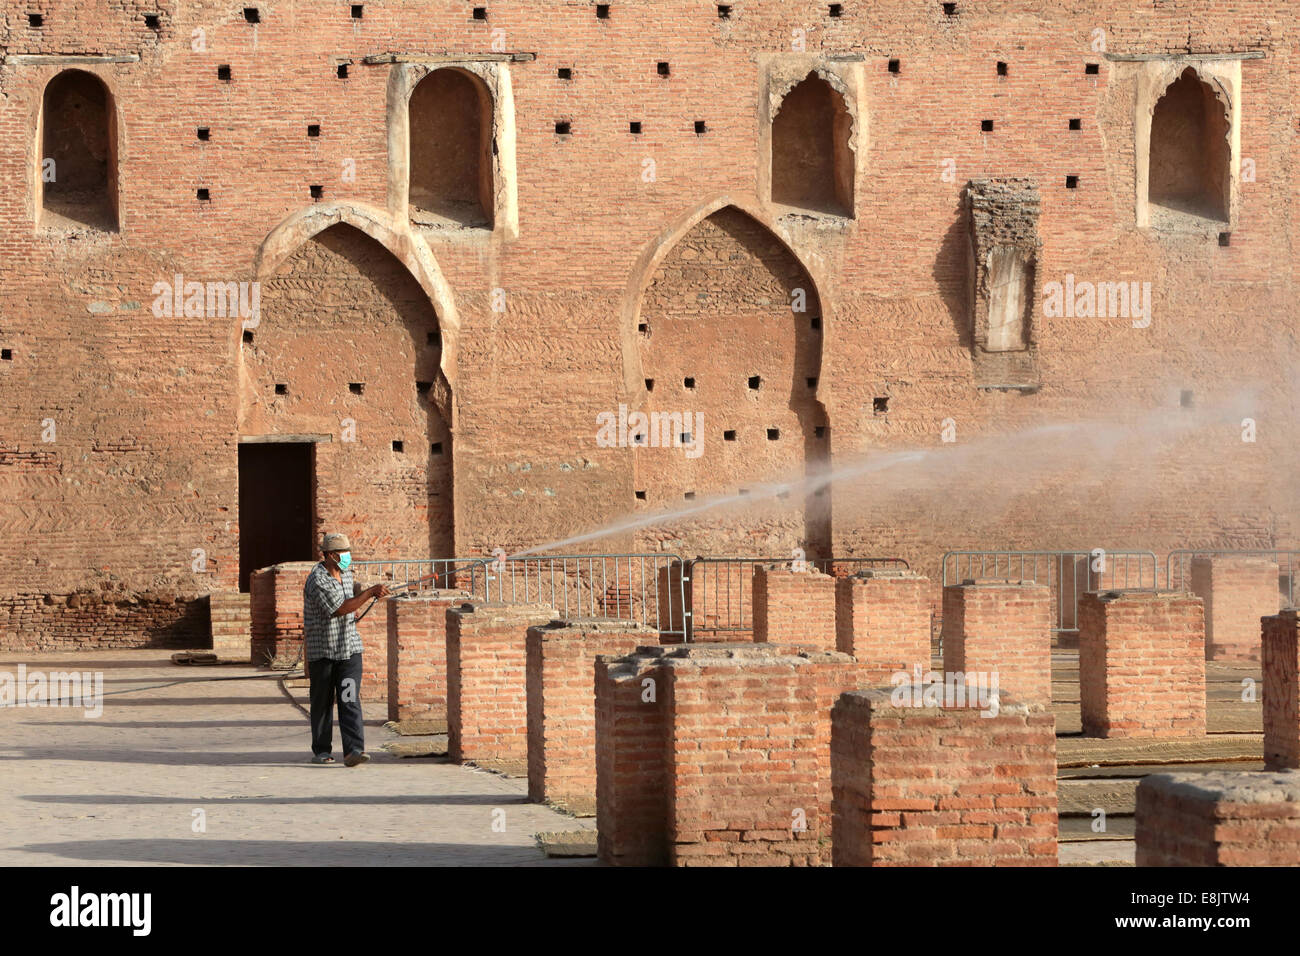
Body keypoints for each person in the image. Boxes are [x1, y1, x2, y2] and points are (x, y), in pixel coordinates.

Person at [302, 532, 388, 766]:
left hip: (349, 649)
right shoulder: (317, 580)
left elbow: (350, 601)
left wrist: (362, 599)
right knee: (322, 703)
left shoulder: (346, 575)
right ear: (330, 555)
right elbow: (339, 608)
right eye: (344, 553)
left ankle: (354, 750)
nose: (348, 557)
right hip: (323, 652)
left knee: (349, 699)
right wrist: (369, 592)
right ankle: (321, 750)